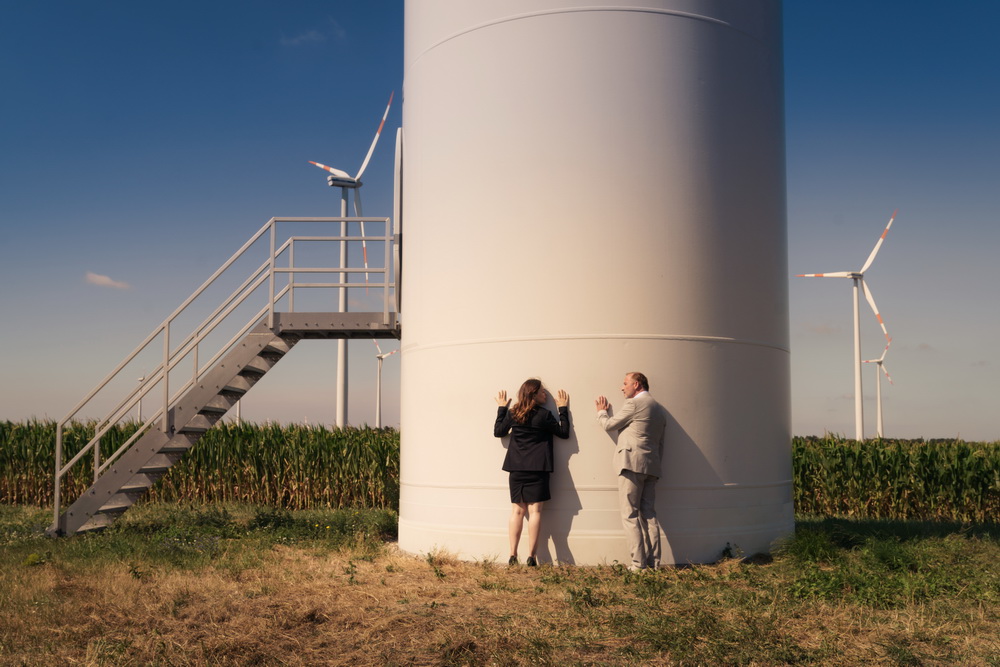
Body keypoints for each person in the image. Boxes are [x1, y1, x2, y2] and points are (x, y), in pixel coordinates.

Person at [494, 379, 570, 566]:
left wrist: (502, 408)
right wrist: (562, 409)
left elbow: (498, 432)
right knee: (535, 511)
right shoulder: (545, 415)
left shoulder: (514, 413)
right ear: (534, 394)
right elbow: (564, 432)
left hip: (517, 467)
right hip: (538, 468)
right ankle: (531, 557)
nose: (546, 395)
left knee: (517, 511)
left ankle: (512, 555)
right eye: (543, 392)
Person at [595, 372, 667, 571]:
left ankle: (638, 564)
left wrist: (602, 413)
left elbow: (610, 425)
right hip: (651, 466)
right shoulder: (660, 410)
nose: (622, 387)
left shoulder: (635, 404)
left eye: (625, 383)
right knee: (649, 514)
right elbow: (661, 443)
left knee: (630, 514)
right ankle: (654, 563)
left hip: (631, 464)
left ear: (636, 384)